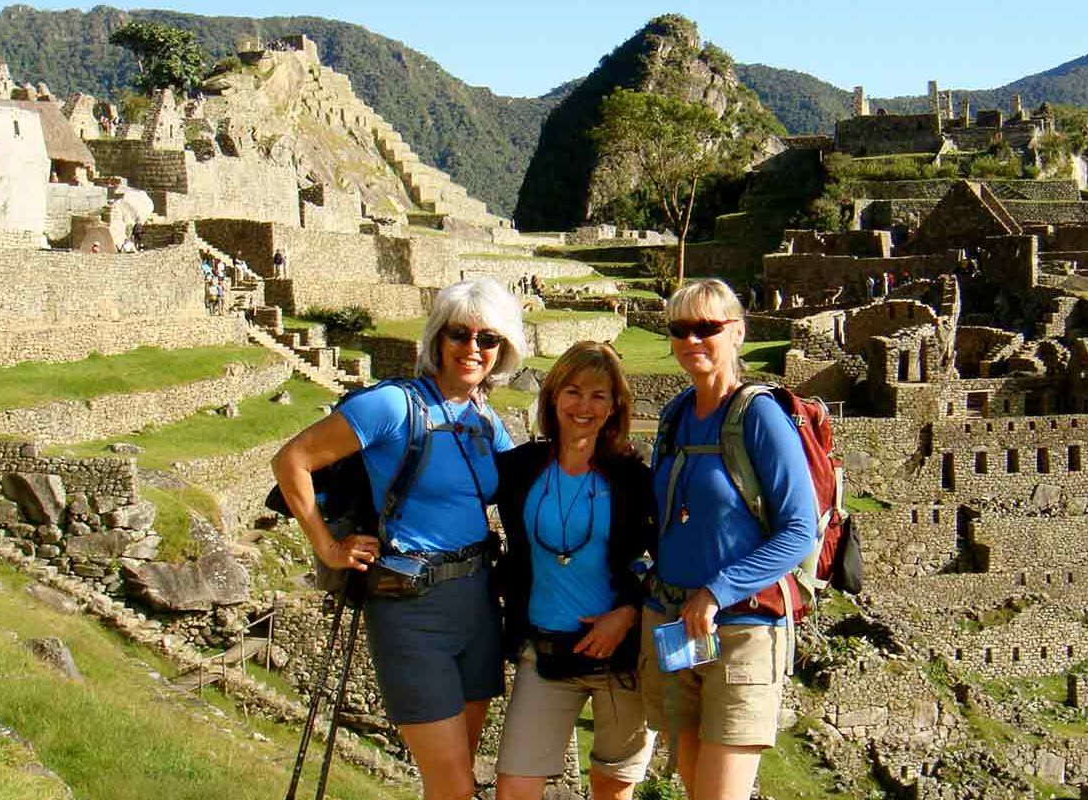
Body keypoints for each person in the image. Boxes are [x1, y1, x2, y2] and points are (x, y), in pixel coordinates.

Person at [271, 278, 526, 800]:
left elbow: (523, 485)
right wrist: (327, 546)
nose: (472, 348)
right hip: (411, 607)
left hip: (477, 606)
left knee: (453, 777)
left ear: (504, 350)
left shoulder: (483, 421)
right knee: (454, 785)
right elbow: (291, 460)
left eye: (488, 339)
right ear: (438, 338)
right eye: (460, 334)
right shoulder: (391, 406)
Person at [642, 279, 817, 800]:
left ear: (737, 332)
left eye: (707, 328)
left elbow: (799, 530)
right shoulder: (675, 417)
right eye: (680, 329)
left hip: (742, 631)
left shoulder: (759, 416)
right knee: (692, 785)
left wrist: (718, 590)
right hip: (678, 627)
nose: (692, 339)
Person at [493, 342, 656, 800]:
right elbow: (448, 495)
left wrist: (626, 613)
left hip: (621, 660)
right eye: (573, 391)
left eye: (599, 396)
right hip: (545, 655)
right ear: (551, 398)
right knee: (515, 788)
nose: (584, 406)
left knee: (611, 789)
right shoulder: (519, 468)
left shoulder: (634, 479)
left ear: (615, 406)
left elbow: (668, 559)